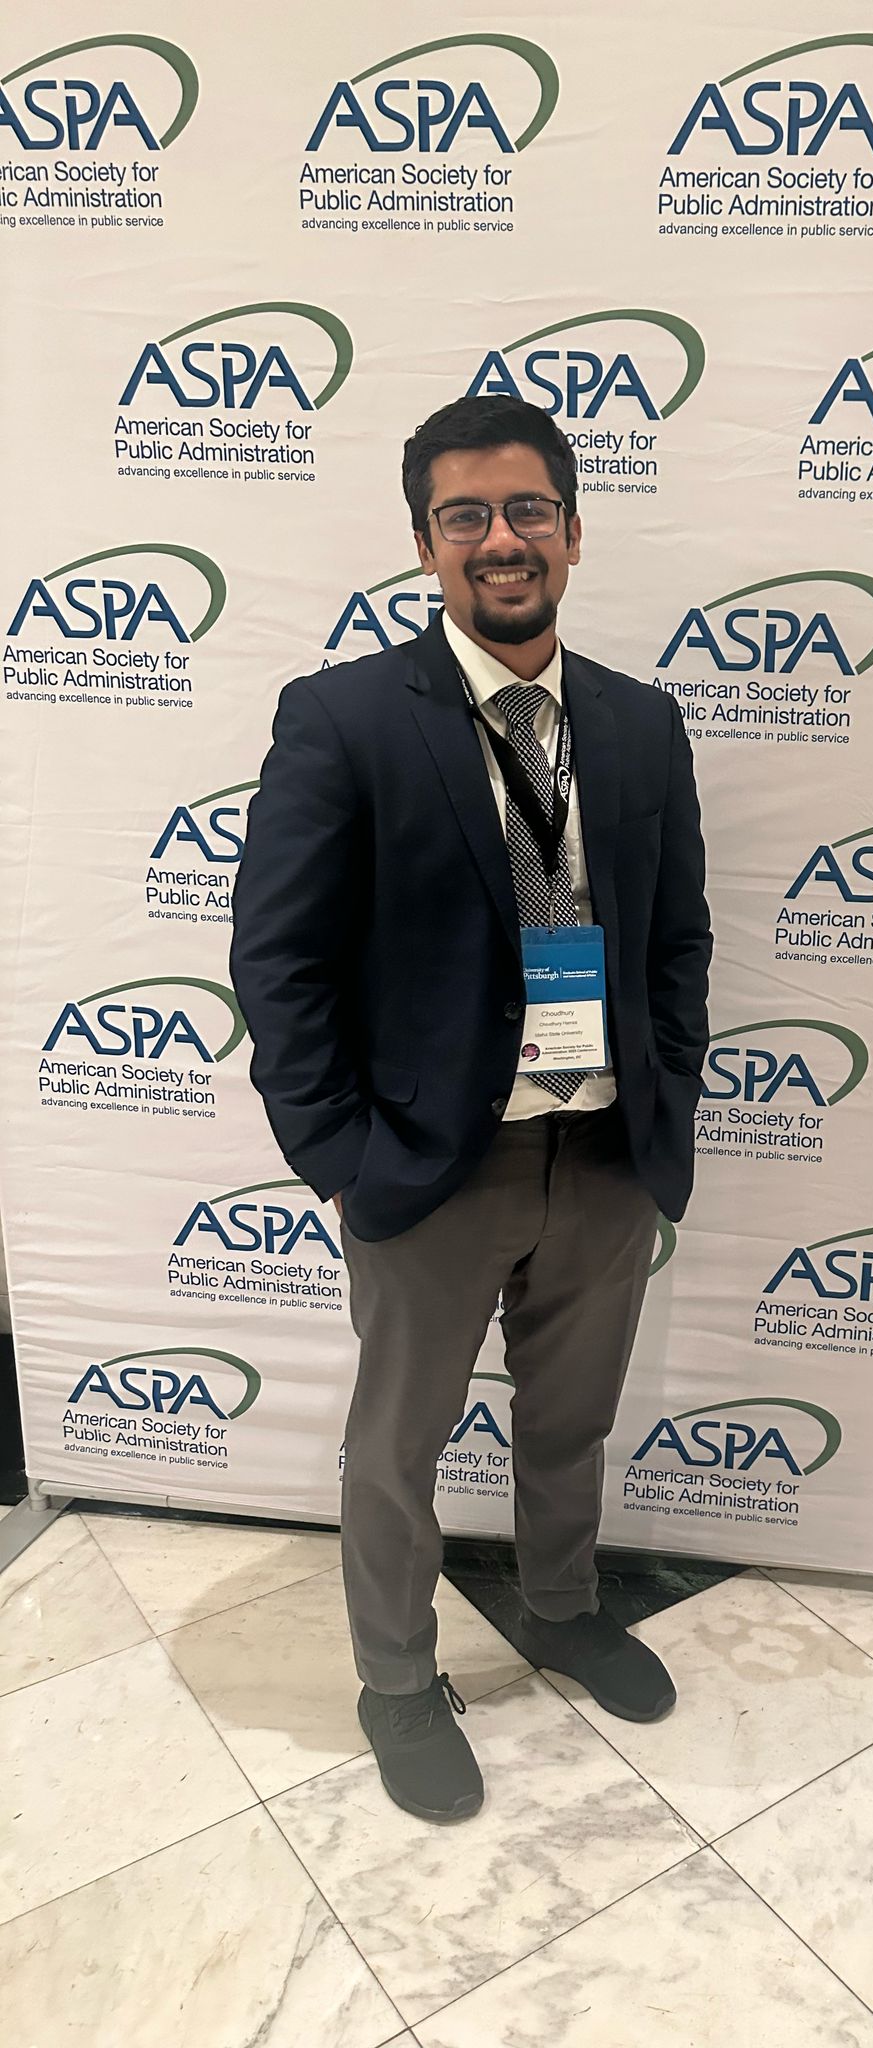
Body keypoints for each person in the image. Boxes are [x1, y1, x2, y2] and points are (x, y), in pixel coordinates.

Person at [230, 394, 711, 1823]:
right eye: (466, 518)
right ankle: (395, 1680)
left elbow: (674, 936)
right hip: (432, 1173)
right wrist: (344, 1155)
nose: (501, 541)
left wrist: (664, 1098)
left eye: (526, 512)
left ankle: (559, 1607)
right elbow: (279, 956)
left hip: (605, 1156)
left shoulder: (638, 721)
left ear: (572, 529)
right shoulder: (346, 719)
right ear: (426, 544)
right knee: (396, 1449)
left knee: (572, 1423)